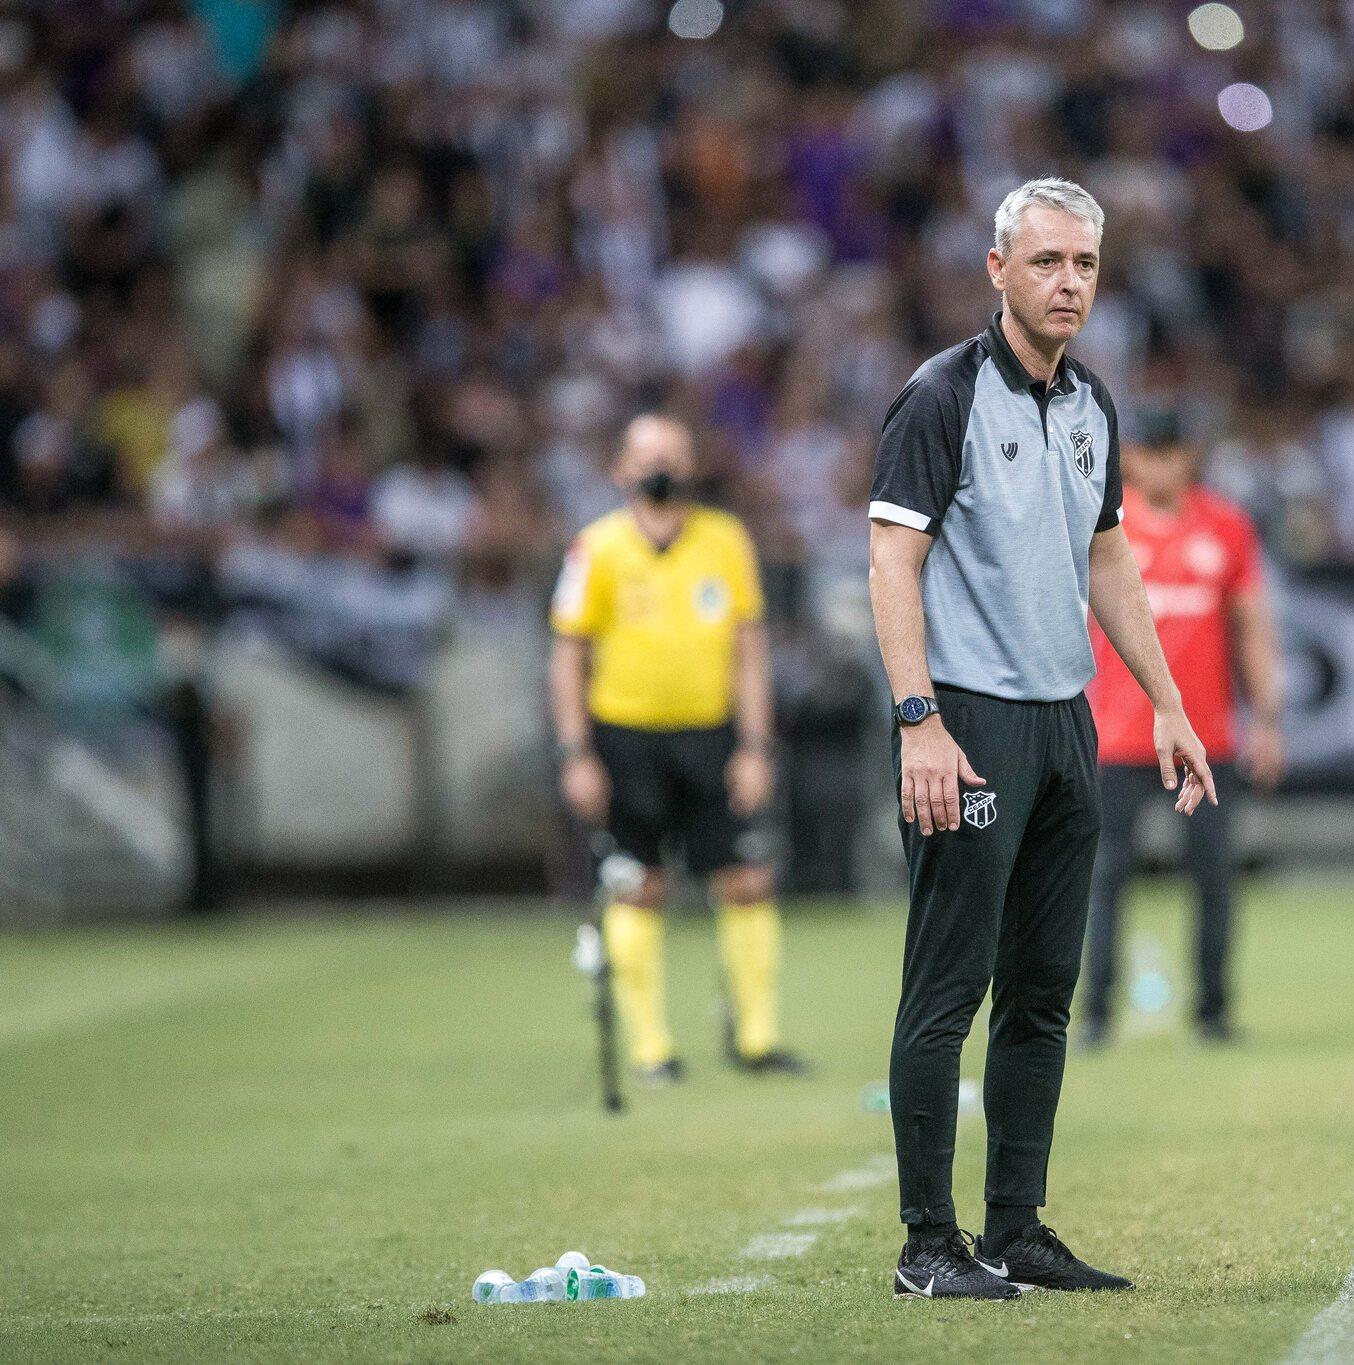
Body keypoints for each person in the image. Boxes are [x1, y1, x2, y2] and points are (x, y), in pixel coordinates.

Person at [867, 177, 1217, 1301]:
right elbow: (891, 561)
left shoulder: (1091, 404)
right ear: (997, 269)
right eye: (1046, 261)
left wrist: (1166, 702)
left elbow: (1108, 558)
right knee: (947, 990)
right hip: (968, 721)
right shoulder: (940, 394)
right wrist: (918, 719)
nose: (1068, 283)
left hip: (1067, 723)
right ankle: (927, 1246)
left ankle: (1014, 1229)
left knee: (1041, 992)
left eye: (1084, 265)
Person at [548, 413, 807, 1081]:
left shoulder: (725, 540)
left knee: (746, 880)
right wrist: (576, 753)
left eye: (674, 453)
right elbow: (568, 656)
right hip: (625, 738)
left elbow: (750, 651)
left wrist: (755, 746)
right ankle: (651, 1048)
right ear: (620, 469)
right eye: (648, 455)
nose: (661, 466)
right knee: (638, 884)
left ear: (693, 466)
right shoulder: (596, 548)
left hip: (711, 736)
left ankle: (756, 1038)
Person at [1080, 409, 1284, 1047]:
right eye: (1149, 452)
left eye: (1172, 452)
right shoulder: (1104, 523)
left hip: (1204, 739)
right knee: (1103, 879)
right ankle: (1093, 1015)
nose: (1161, 466)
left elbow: (1251, 624)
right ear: (1130, 458)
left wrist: (1267, 717)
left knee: (1215, 877)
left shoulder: (1226, 525)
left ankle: (1213, 1014)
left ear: (1190, 456)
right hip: (1116, 738)